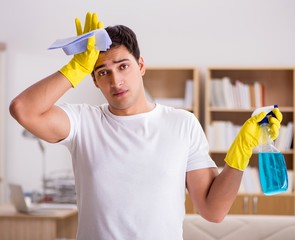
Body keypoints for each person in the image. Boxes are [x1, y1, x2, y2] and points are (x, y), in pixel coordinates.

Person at [9, 12, 282, 240]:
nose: (115, 81)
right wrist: (73, 69)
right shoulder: (83, 122)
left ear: (141, 65)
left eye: (123, 66)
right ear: (93, 80)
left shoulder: (182, 123)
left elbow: (213, 211)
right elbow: (23, 109)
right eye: (103, 72)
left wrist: (242, 150)